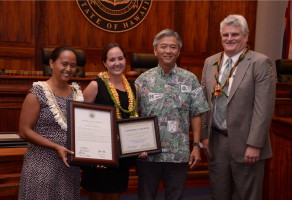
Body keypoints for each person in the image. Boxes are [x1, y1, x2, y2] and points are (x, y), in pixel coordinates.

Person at [201, 14, 276, 200]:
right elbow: (202, 103)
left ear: (246, 36)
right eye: (225, 35)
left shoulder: (260, 62)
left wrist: (254, 144)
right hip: (216, 141)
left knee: (247, 195)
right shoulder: (210, 63)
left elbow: (264, 108)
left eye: (235, 34)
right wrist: (203, 136)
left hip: (246, 143)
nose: (229, 39)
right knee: (218, 193)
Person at [135, 29, 209, 200]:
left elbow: (196, 113)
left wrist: (197, 145)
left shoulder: (190, 79)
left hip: (178, 153)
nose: (168, 51)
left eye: (173, 47)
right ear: (155, 50)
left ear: (179, 51)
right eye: (163, 46)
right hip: (148, 155)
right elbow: (133, 114)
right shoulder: (143, 80)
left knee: (175, 197)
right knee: (146, 196)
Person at [18, 46, 84, 200]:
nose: (68, 69)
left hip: (68, 167)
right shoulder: (37, 93)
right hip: (41, 165)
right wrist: (55, 146)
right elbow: (24, 131)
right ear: (52, 63)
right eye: (64, 64)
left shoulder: (77, 93)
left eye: (73, 66)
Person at [80, 42, 141, 200]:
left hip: (121, 157)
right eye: (112, 59)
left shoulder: (134, 88)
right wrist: (93, 156)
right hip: (99, 157)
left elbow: (134, 118)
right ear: (104, 63)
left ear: (125, 60)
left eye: (120, 58)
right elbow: (81, 120)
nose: (117, 63)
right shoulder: (95, 86)